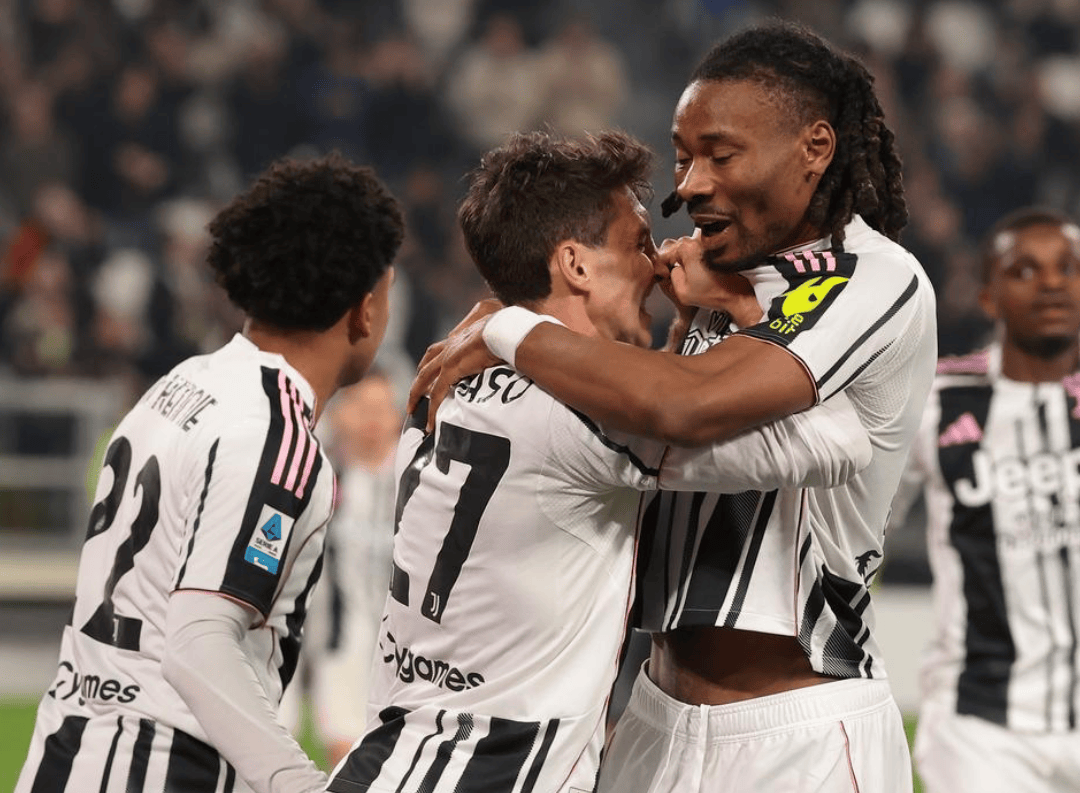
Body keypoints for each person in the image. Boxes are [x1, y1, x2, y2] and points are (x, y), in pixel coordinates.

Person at [410, 20, 937, 792]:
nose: (687, 184)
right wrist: (687, 325)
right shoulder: (719, 273)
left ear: (814, 147)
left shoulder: (870, 277)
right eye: (684, 156)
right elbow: (645, 451)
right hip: (654, 712)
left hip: (797, 732)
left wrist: (508, 327)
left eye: (719, 155)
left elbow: (686, 408)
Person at [327, 129, 875, 793]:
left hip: (391, 760)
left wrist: (675, 334)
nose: (658, 264)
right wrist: (738, 305)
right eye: (637, 243)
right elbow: (837, 441)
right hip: (491, 776)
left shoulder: (444, 387)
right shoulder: (585, 418)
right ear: (576, 265)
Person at [15, 152, 405, 793]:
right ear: (364, 311)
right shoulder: (278, 438)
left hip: (66, 752)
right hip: (159, 766)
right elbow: (200, 641)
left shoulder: (181, 385)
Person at [888, 206, 1080, 793]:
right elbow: (864, 524)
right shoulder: (937, 400)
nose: (1052, 282)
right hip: (977, 723)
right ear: (987, 297)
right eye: (1025, 270)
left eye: (1069, 267)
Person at [287, 369, 404, 767]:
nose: (373, 420)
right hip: (323, 631)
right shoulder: (314, 476)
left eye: (383, 408)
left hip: (390, 642)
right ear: (338, 414)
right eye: (361, 407)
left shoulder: (420, 483)